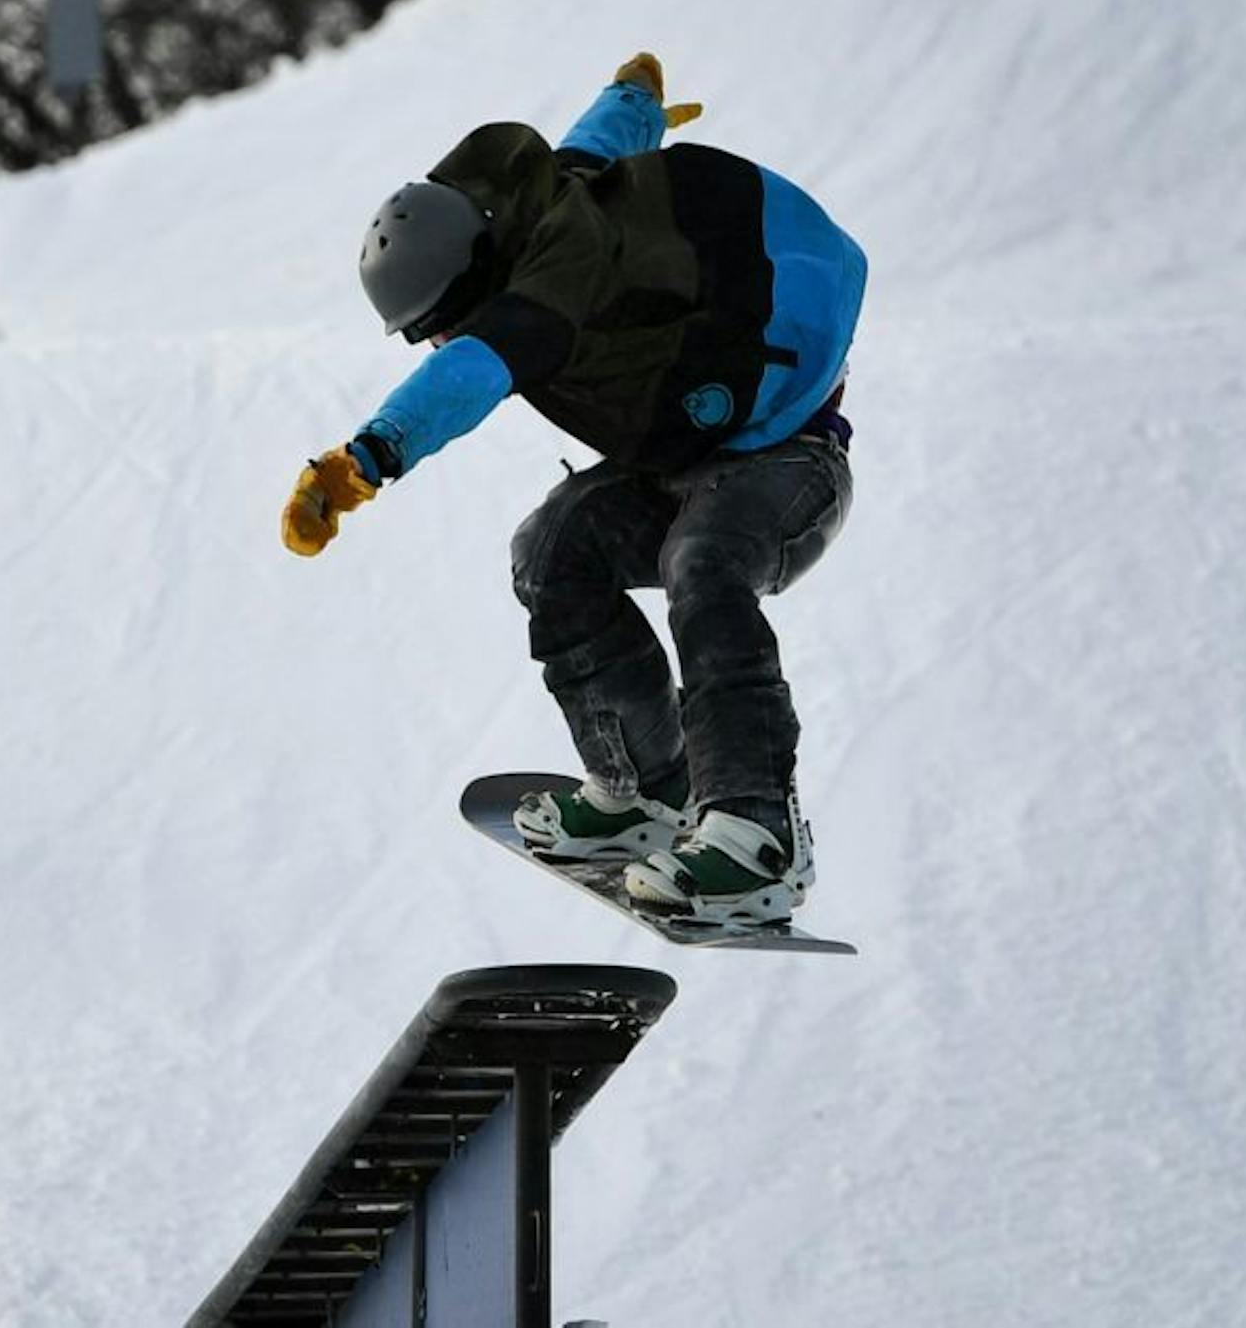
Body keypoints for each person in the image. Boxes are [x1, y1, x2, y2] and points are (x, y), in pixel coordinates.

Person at [281, 52, 866, 928]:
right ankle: (648, 789)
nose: (439, 344)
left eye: (439, 327)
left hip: (792, 462)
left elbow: (471, 376)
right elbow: (594, 144)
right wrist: (637, 97)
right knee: (553, 551)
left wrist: (363, 459)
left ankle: (757, 833)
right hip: (680, 455)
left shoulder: (540, 292)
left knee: (703, 566)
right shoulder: (538, 204)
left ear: (473, 288)